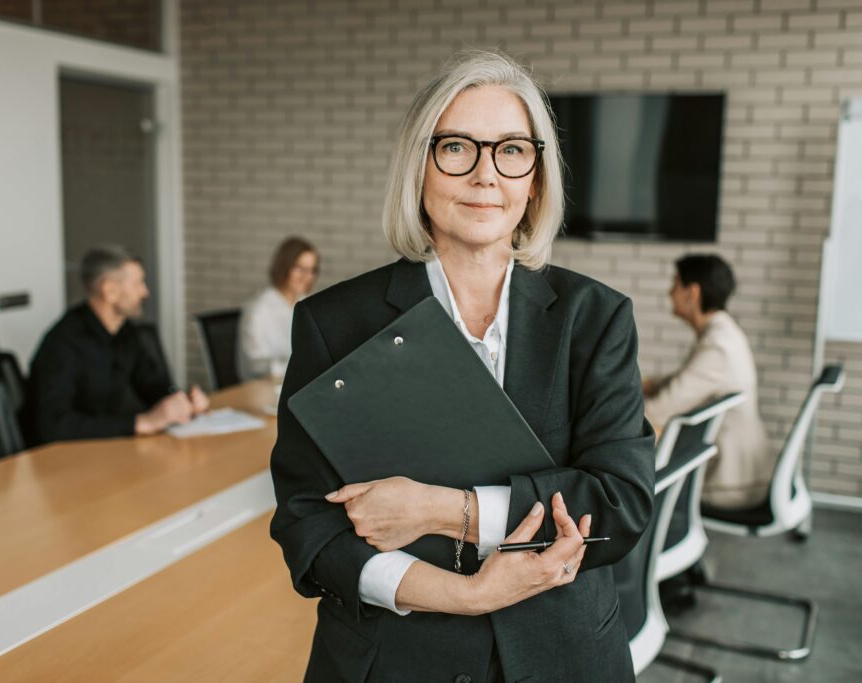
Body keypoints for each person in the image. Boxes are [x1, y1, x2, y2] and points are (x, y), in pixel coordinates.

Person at [270, 51, 654, 682]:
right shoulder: (333, 322)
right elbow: (307, 523)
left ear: (535, 177)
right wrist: (469, 594)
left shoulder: (596, 318)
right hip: (394, 659)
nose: (485, 175)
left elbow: (620, 505)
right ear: (419, 166)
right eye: (457, 148)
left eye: (510, 150)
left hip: (560, 653)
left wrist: (440, 509)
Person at [22, 245, 208, 445]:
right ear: (110, 291)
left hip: (104, 449)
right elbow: (54, 426)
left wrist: (181, 400)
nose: (145, 292)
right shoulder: (63, 343)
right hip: (59, 461)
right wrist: (141, 422)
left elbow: (151, 383)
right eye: (138, 284)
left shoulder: (125, 332)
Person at [643, 254, 773, 509]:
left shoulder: (717, 346)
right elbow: (681, 381)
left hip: (730, 485)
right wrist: (644, 383)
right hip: (739, 474)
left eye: (675, 284)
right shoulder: (722, 334)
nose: (670, 293)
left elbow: (658, 411)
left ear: (692, 293)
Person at [236, 237, 319, 380]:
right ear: (284, 267)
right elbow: (255, 366)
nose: (307, 277)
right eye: (300, 269)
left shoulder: (306, 303)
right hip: (262, 388)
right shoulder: (259, 309)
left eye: (312, 270)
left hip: (295, 382)